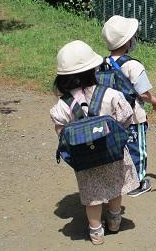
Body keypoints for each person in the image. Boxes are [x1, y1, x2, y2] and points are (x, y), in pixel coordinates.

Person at [50, 40, 139, 245]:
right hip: (112, 153)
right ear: (94, 69)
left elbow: (61, 133)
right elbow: (127, 118)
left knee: (92, 196)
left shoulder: (62, 106)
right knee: (115, 188)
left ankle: (96, 232)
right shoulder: (111, 94)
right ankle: (115, 221)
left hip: (85, 158)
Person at [102, 15, 156, 196]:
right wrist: (155, 101)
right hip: (134, 116)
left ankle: (121, 179)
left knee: (120, 148)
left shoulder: (103, 64)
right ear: (128, 41)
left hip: (113, 116)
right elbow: (143, 92)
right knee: (138, 149)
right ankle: (137, 183)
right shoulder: (133, 65)